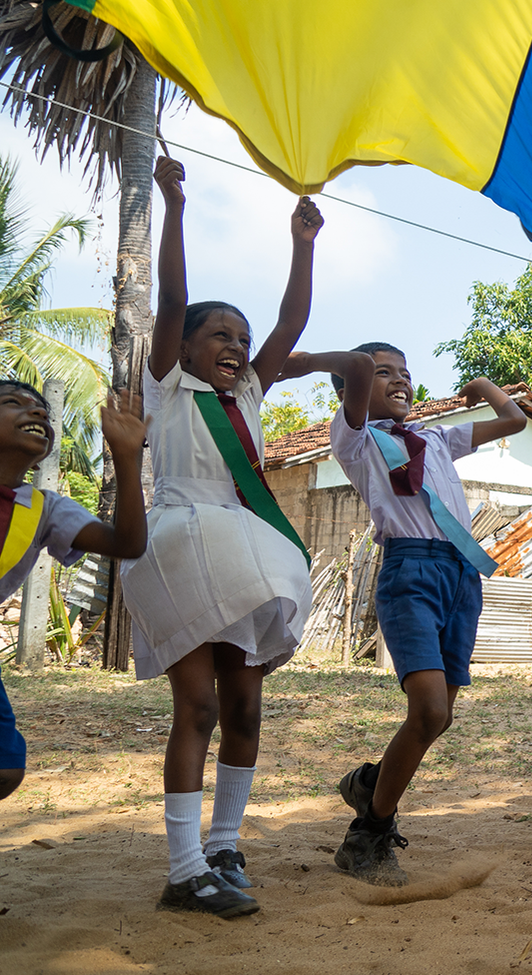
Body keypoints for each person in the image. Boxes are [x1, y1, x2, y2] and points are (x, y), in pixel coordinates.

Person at [122, 156, 320, 917]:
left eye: (239, 335)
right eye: (217, 333)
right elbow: (172, 295)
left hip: (243, 551)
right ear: (185, 346)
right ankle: (183, 867)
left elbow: (291, 324)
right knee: (196, 708)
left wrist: (302, 242)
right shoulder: (168, 385)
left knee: (244, 707)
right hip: (182, 544)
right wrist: (174, 205)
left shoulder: (247, 393)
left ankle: (226, 844)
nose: (234, 344)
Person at [287, 343, 525, 884]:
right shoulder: (354, 438)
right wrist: (312, 364)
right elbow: (354, 367)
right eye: (383, 374)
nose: (398, 381)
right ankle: (367, 835)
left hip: (461, 577)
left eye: (405, 374)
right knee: (427, 711)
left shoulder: (435, 437)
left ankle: (372, 783)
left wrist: (482, 386)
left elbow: (511, 418)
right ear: (350, 390)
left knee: (439, 717)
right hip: (410, 573)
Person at [0, 382, 147, 802]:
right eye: (14, 403)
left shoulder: (43, 509)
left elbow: (128, 544)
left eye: (44, 412)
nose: (36, 414)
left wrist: (125, 456)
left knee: (6, 768)